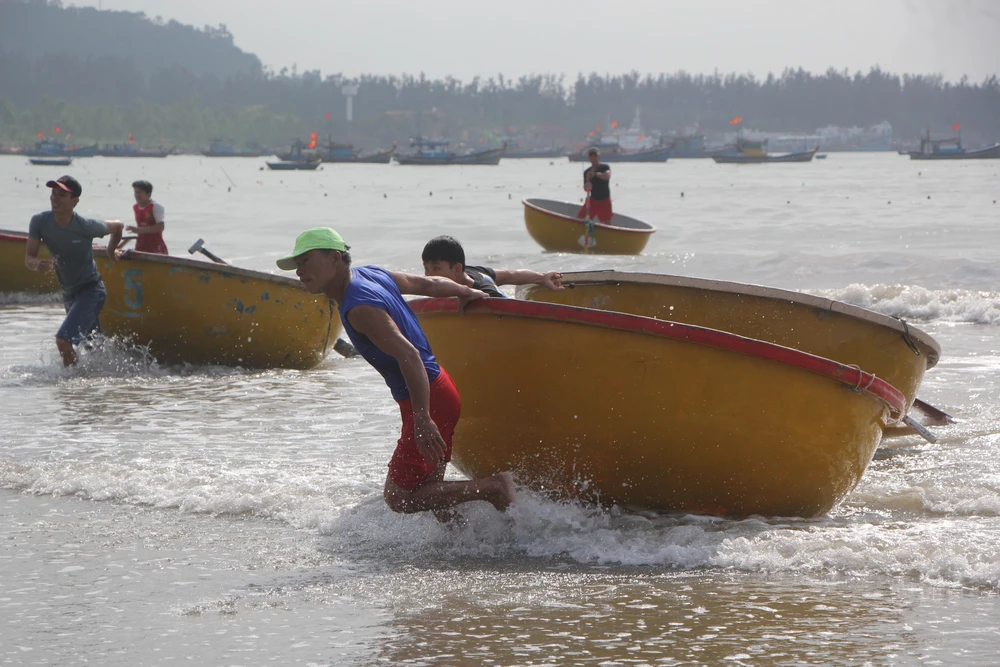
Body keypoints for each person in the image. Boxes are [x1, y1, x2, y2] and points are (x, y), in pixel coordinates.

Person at [276, 227, 517, 519]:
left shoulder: (359, 307)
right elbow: (426, 284)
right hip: (438, 387)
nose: (299, 271)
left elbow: (409, 356)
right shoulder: (370, 274)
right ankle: (478, 535)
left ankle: (494, 487)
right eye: (297, 264)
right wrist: (465, 290)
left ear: (335, 258)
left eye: (305, 261)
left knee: (400, 497)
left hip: (427, 398)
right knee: (432, 490)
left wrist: (422, 417)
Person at [24, 175, 124, 367]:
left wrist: (111, 251)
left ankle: (71, 382)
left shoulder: (86, 226)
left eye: (62, 195)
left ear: (75, 201)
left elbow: (118, 226)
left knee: (63, 341)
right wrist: (36, 264)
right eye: (53, 193)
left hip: (92, 291)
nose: (55, 198)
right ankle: (102, 380)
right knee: (93, 348)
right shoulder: (39, 222)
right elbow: (29, 257)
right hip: (69, 294)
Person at [421, 235, 564, 297]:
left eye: (436, 269)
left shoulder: (485, 292)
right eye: (426, 268)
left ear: (457, 269)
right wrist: (542, 277)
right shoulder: (471, 271)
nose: (429, 276)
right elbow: (511, 275)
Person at [128, 180, 168, 254]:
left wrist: (139, 230)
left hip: (156, 248)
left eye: (139, 192)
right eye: (135, 192)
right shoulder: (135, 207)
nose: (137, 195)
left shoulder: (156, 206)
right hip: (140, 247)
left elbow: (160, 227)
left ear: (148, 194)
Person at [578, 147, 613, 223]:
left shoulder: (604, 167)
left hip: (604, 201)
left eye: (595, 156)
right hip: (592, 201)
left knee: (607, 222)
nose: (593, 158)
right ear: (589, 158)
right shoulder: (587, 172)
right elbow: (585, 188)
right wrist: (587, 182)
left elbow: (607, 176)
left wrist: (595, 174)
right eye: (591, 156)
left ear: (599, 157)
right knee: (580, 218)